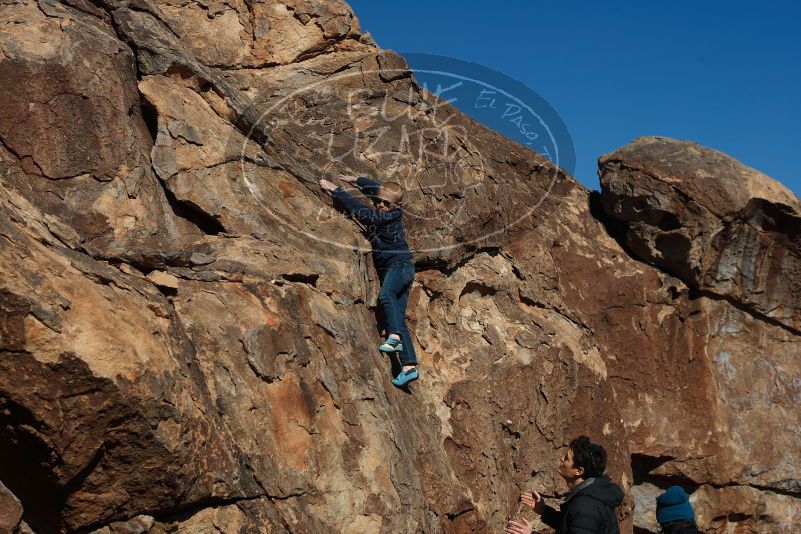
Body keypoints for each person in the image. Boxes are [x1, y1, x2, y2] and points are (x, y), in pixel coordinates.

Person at [320, 174, 418, 387]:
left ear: (397, 206)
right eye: (379, 202)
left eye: (386, 204)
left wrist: (336, 191)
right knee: (398, 317)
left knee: (386, 295)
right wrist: (357, 180)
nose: (381, 205)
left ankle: (394, 337)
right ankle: (409, 367)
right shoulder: (386, 204)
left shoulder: (388, 216)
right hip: (399, 268)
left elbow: (365, 214)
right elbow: (377, 189)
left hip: (400, 266)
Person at [507, 435, 623, 534]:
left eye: (567, 458)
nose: (561, 458)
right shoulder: (590, 494)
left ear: (579, 471)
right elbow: (574, 525)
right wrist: (544, 510)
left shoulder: (587, 505)